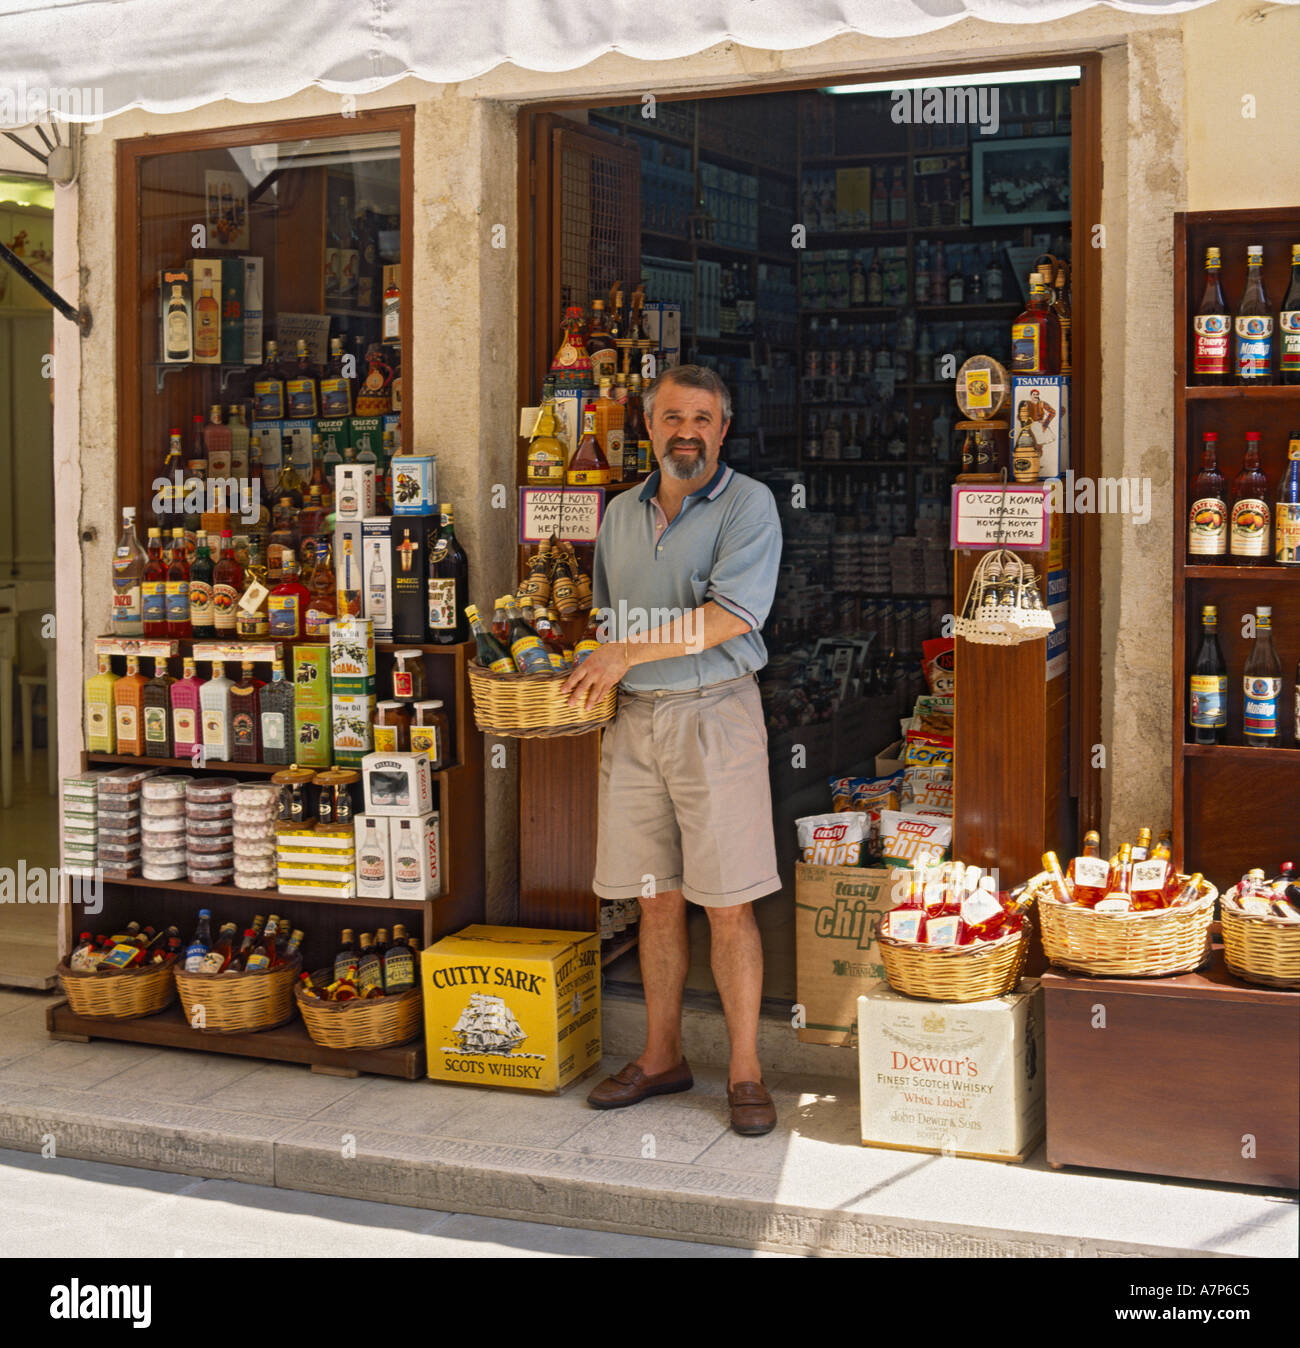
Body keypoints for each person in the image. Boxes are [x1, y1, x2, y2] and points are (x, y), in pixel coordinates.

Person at [562, 364, 783, 1136]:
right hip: (634, 723)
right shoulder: (620, 512)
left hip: (712, 717)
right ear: (648, 427)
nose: (685, 432)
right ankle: (662, 1058)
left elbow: (732, 616)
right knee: (653, 899)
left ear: (723, 430)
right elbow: (604, 615)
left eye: (702, 419)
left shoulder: (749, 505)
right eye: (670, 418)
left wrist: (623, 654)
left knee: (727, 902)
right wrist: (594, 662)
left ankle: (747, 1071)